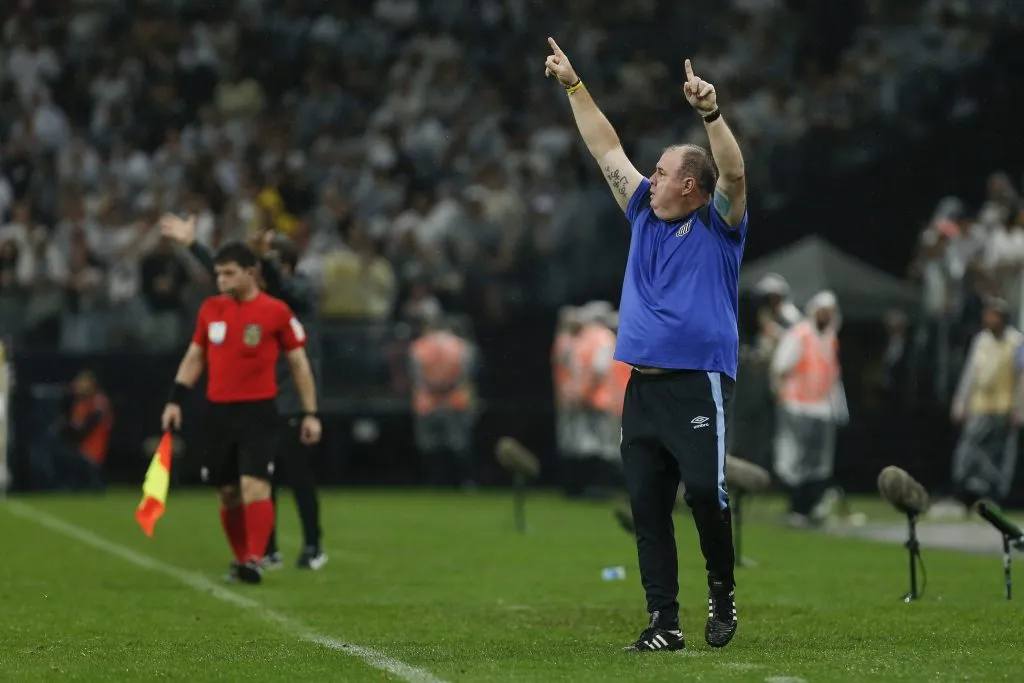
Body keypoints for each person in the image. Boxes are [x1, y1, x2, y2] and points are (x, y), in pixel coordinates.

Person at [545, 38, 747, 652]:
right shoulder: (640, 212)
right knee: (647, 508)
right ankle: (665, 623)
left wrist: (711, 115)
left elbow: (734, 174)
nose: (646, 175)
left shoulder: (717, 224)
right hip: (643, 386)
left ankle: (721, 593)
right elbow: (604, 145)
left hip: (697, 380)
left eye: (659, 171)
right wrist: (574, 85)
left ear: (688, 185)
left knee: (705, 496)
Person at [159, 214, 327, 571]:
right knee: (248, 484)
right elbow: (229, 272)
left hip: (288, 398)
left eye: (269, 265)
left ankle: (311, 544)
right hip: (252, 399)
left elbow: (274, 287)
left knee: (293, 475)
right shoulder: (233, 301)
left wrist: (262, 259)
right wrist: (193, 245)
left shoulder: (299, 295)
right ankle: (264, 550)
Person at [769, 291, 848, 527]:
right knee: (797, 460)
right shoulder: (800, 335)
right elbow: (780, 367)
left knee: (819, 463)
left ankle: (811, 506)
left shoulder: (830, 338)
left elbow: (833, 375)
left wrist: (839, 408)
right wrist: (782, 399)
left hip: (821, 408)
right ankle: (797, 506)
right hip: (798, 406)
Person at [950, 297, 1023, 508]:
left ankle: (994, 495)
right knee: (970, 447)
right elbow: (970, 374)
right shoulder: (980, 340)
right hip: (979, 405)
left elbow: (1021, 377)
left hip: (1004, 407)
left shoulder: (1017, 342)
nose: (988, 320)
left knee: (999, 454)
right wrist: (960, 402)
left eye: (993, 315)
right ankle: (966, 490)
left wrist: (1020, 408)